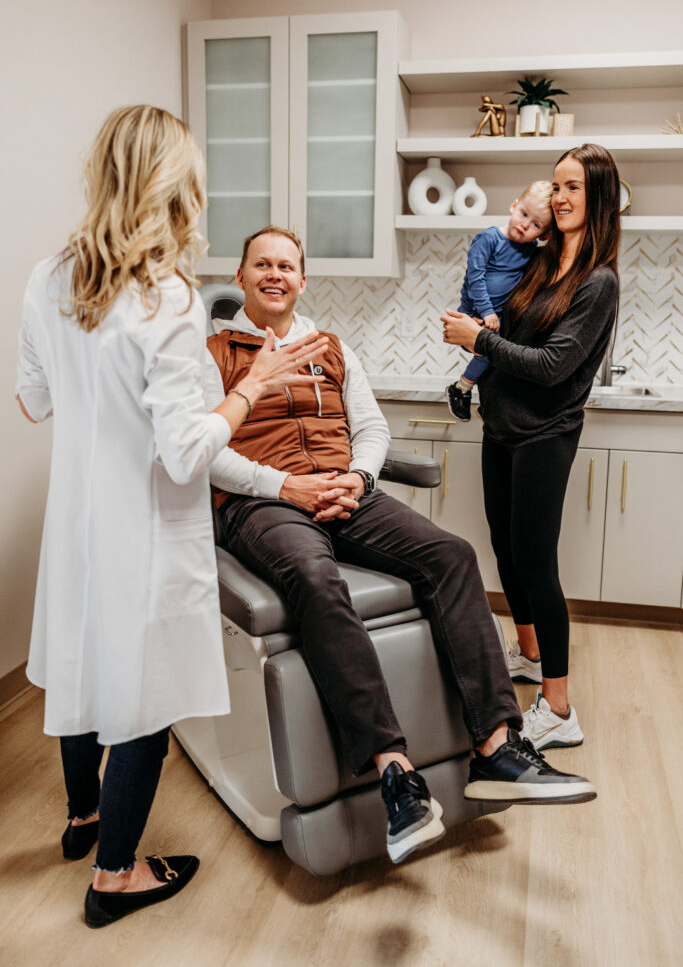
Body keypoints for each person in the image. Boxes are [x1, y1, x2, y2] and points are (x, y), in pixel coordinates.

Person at [14, 106, 327, 928]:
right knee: (143, 704)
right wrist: (253, 386)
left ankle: (84, 818)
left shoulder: (48, 277)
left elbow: (31, 401)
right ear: (173, 185)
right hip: (145, 530)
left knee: (85, 669)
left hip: (77, 523)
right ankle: (114, 876)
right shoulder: (169, 296)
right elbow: (186, 452)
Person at [203, 224, 598, 868]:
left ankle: (495, 748)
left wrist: (359, 478)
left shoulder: (332, 347)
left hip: (346, 491)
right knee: (316, 576)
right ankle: (395, 773)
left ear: (303, 280)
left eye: (287, 266)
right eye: (262, 265)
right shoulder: (213, 353)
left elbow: (371, 426)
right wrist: (287, 487)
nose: (275, 275)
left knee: (453, 555)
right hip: (264, 502)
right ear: (241, 276)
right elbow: (207, 451)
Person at [441, 143, 620, 751]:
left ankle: (559, 708)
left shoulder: (597, 282)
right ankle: (529, 652)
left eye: (573, 187)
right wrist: (478, 324)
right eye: (556, 185)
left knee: (537, 565)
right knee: (505, 548)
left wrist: (477, 341)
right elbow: (502, 321)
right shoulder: (540, 259)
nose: (561, 197)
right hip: (501, 426)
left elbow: (550, 366)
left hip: (545, 434)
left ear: (598, 197)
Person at [446, 181, 553, 421]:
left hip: (500, 316)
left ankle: (476, 395)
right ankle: (460, 389)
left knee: (501, 356)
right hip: (476, 310)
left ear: (544, 235)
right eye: (524, 214)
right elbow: (474, 278)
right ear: (514, 206)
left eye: (536, 224)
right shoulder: (489, 238)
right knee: (487, 354)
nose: (525, 225)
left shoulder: (530, 248)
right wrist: (486, 312)